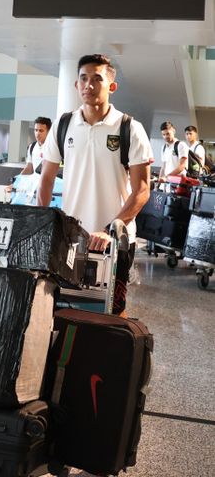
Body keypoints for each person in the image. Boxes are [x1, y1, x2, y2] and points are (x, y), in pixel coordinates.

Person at [38, 54, 152, 317]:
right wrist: (43, 225)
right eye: (83, 78)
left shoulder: (129, 128)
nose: (89, 84)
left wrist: (110, 229)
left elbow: (142, 189)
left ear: (111, 86)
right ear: (76, 85)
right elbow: (45, 180)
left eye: (97, 79)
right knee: (63, 308)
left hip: (115, 242)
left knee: (112, 312)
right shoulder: (63, 125)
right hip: (71, 239)